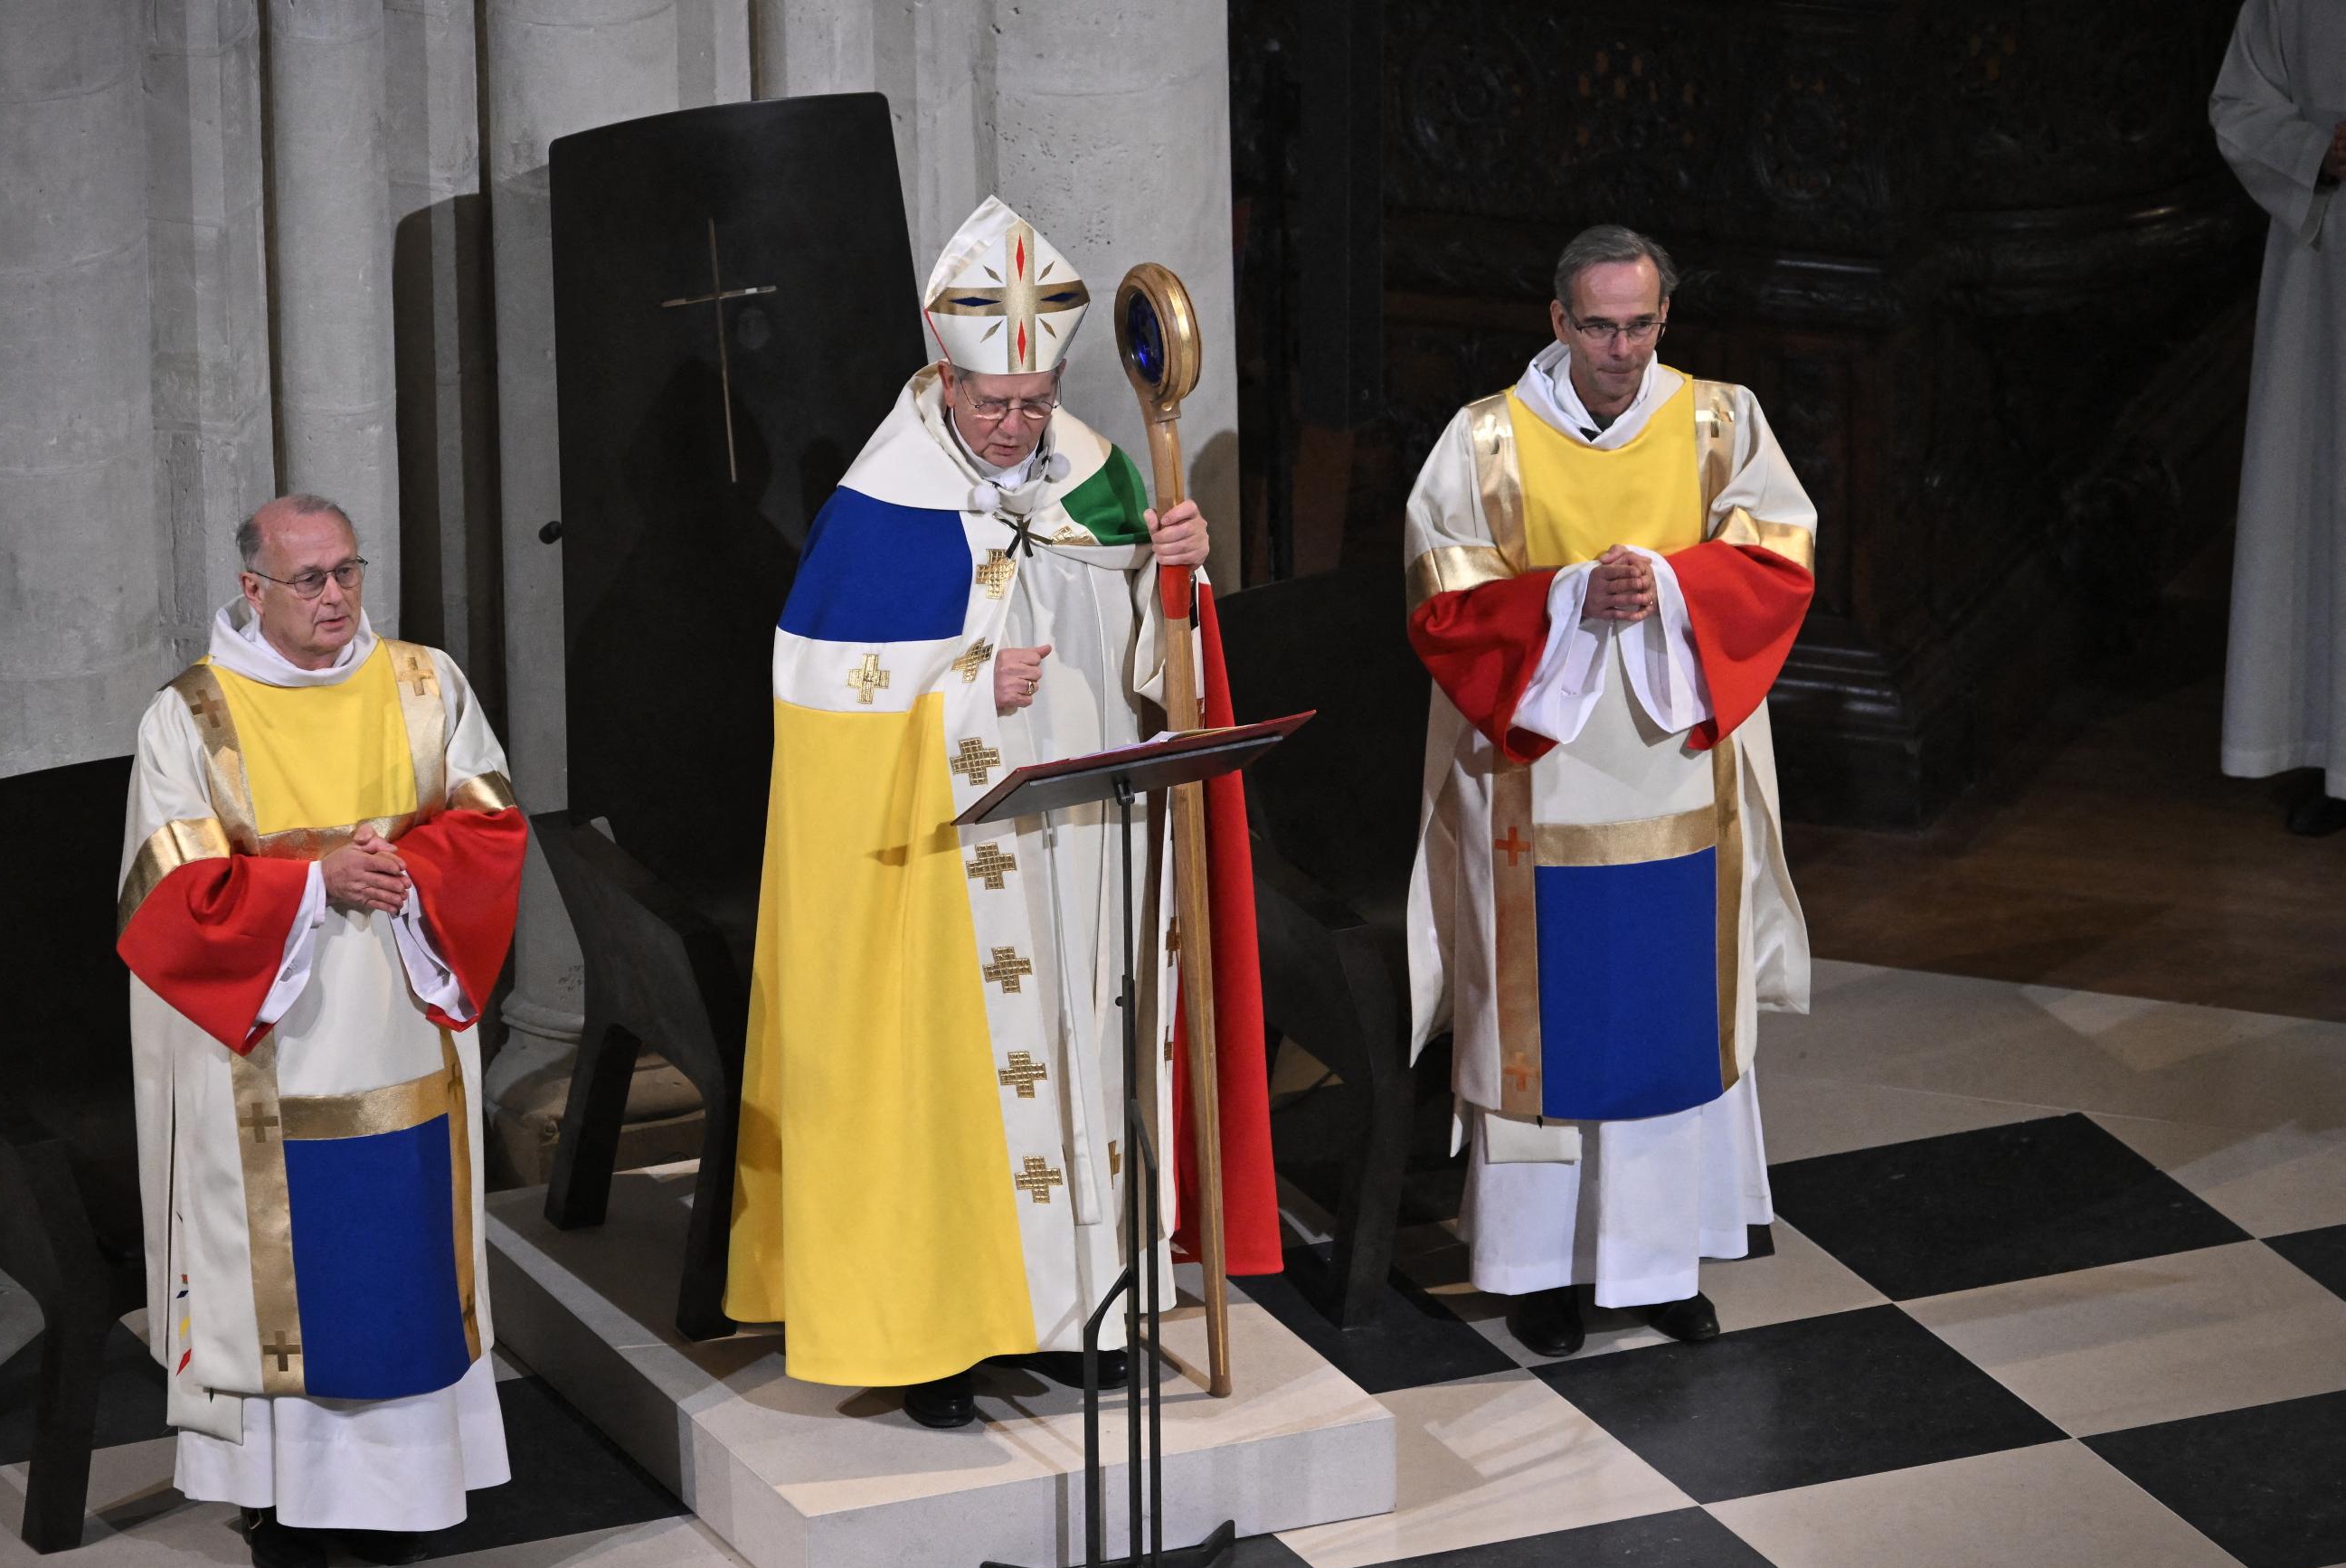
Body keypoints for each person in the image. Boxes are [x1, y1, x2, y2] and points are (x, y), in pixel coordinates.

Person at [725, 195, 1278, 1428]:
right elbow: (827, 724)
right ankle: (939, 1337)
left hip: (1083, 841)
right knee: (949, 1087)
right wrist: (972, 694)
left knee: (1092, 1059)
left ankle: (1089, 1309)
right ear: (943, 379)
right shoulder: (880, 513)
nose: (1020, 426)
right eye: (995, 406)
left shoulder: (1095, 471)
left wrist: (1171, 566)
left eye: (1035, 401)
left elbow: (1160, 666)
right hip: (939, 863)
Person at [1400, 226, 1816, 1358]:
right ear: (1556, 320)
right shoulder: (1484, 440)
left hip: (1679, 768)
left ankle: (1655, 1266)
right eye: (1597, 325)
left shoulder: (1720, 421)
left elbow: (1781, 554)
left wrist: (1674, 588)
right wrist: (1575, 598)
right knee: (1544, 1018)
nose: (1620, 349)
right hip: (1535, 775)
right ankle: (1536, 1272)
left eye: (1640, 325)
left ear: (1665, 318)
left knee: (1664, 1014)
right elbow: (1442, 594)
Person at [119, 495, 525, 1568]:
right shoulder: (191, 717)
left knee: (399, 1251)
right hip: (267, 1038)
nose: (337, 596)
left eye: (348, 571)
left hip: (403, 1014)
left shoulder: (425, 683)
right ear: (253, 588)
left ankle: (407, 1488)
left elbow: (489, 828)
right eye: (310, 579)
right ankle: (283, 1507)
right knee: (288, 1270)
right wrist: (312, 885)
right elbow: (170, 898)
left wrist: (408, 873)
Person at [2214, 0, 2346, 837]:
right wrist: (2318, 152)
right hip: (2324, 274)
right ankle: (2330, 756)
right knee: (2322, 511)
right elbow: (2239, 103)